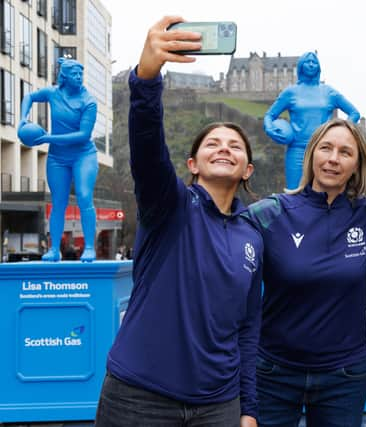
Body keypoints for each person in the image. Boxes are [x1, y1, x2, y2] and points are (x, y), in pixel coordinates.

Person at [95, 16, 263, 427]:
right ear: (192, 164)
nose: (224, 148)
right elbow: (148, 147)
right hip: (139, 397)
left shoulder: (253, 236)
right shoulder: (168, 206)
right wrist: (147, 79)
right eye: (212, 144)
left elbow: (247, 329)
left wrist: (248, 408)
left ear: (247, 170)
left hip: (219, 405)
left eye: (235, 146)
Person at [245, 118, 366, 426]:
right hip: (273, 370)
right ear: (312, 154)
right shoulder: (272, 212)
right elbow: (220, 234)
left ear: (357, 164)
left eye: (345, 152)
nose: (333, 159)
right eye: (326, 148)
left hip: (344, 375)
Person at [19, 58, 98, 262]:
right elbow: (28, 96)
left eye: (81, 74)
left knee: (83, 195)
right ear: (64, 76)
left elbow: (83, 135)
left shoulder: (88, 102)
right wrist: (22, 118)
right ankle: (54, 250)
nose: (79, 78)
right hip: (57, 157)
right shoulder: (53, 93)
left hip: (83, 155)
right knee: (58, 203)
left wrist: (48, 138)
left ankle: (89, 247)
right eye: (74, 74)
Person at [263, 51, 360, 190]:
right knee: (294, 192)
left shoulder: (329, 92)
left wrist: (342, 132)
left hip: (324, 150)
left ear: (319, 67)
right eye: (307, 62)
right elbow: (269, 115)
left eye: (314, 62)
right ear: (300, 66)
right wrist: (270, 128)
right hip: (297, 149)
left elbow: (354, 113)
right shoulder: (290, 92)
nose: (311, 64)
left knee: (325, 193)